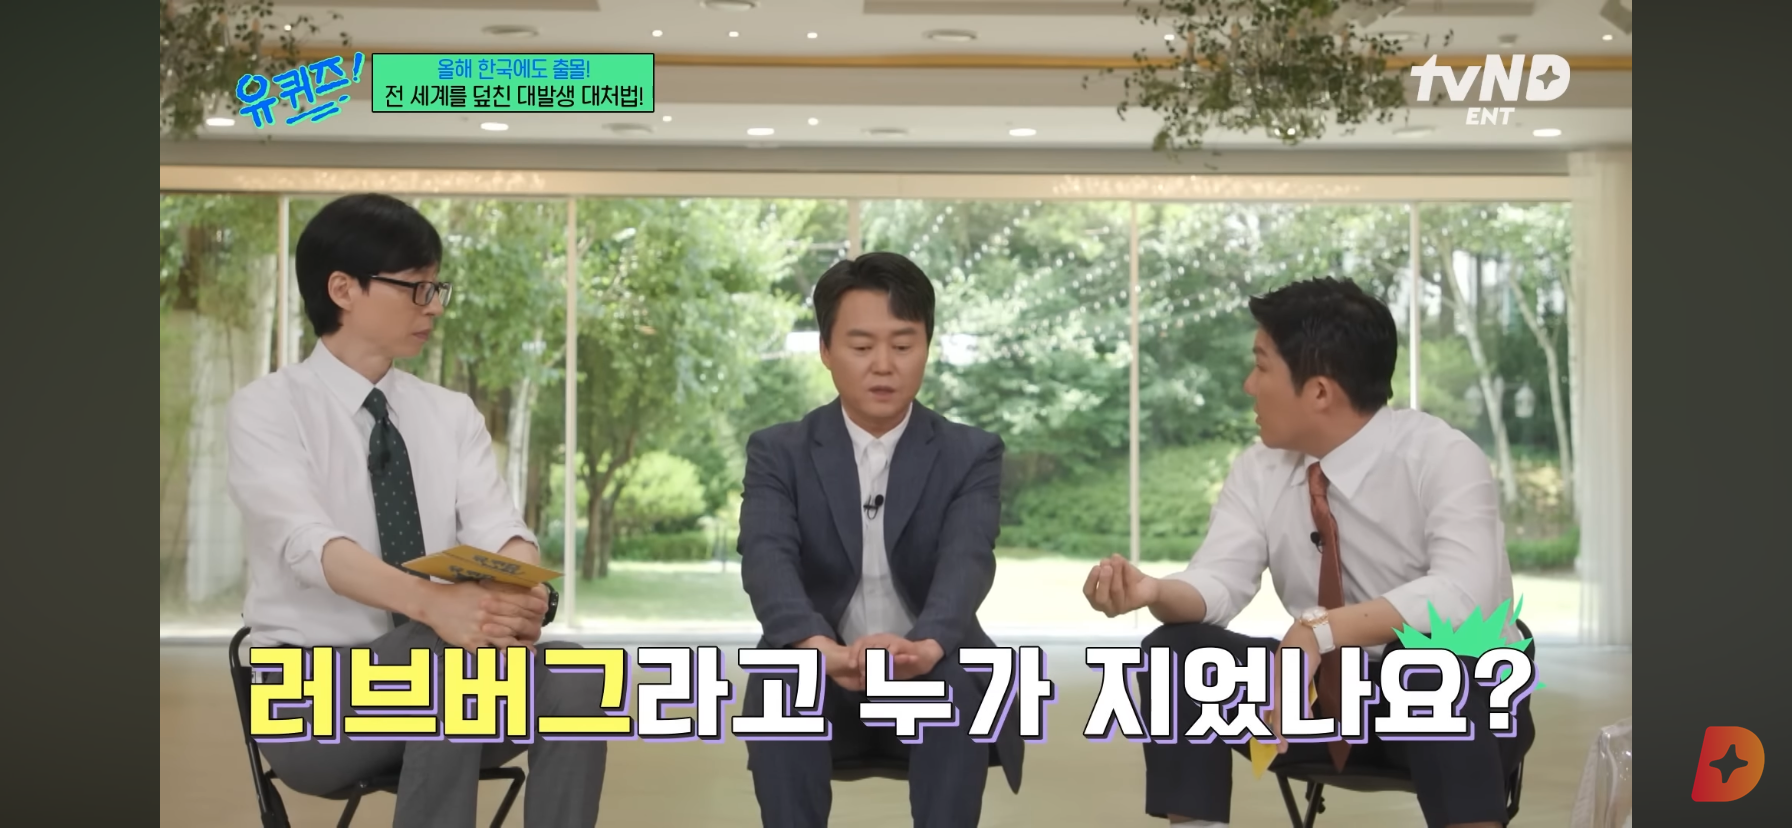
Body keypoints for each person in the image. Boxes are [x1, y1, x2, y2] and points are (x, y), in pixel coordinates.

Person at [1083, 277, 1533, 828]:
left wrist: (1321, 631)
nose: (1248, 385)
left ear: (1319, 391)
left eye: (1261, 366)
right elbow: (1218, 582)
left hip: (1461, 706)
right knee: (1176, 652)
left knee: (1433, 664)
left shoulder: (1442, 456)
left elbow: (1464, 595)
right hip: (1313, 697)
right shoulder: (1260, 468)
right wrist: (1153, 590)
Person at [227, 193, 608, 828]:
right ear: (343, 289)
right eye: (416, 289)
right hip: (315, 701)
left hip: (452, 680)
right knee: (444, 651)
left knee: (574, 677)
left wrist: (517, 591)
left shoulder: (449, 413)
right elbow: (308, 545)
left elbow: (501, 532)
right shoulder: (267, 409)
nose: (433, 306)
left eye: (436, 289)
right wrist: (435, 608)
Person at [736, 251, 1024, 828]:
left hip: (931, 664)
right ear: (826, 350)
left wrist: (926, 646)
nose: (884, 366)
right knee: (786, 685)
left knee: (954, 689)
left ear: (927, 346)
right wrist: (820, 648)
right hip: (822, 662)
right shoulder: (778, 452)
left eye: (903, 344)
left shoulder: (971, 453)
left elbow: (967, 560)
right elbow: (767, 560)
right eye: (862, 347)